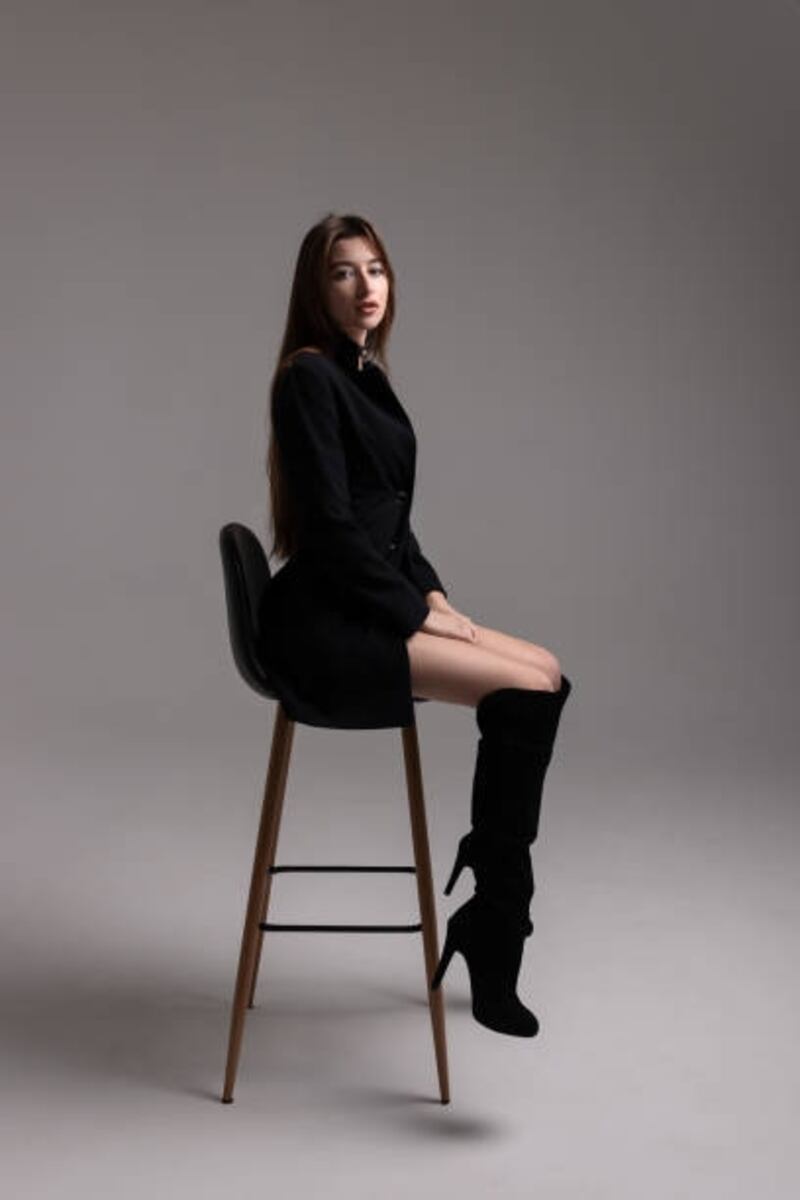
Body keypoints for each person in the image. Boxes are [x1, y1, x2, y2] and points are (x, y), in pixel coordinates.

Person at [260, 212, 573, 1038]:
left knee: (546, 672)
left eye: (376, 269)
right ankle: (496, 924)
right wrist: (410, 614)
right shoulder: (308, 379)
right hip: (326, 624)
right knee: (523, 695)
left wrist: (433, 598)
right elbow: (332, 533)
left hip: (370, 599)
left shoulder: (363, 373)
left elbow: (388, 519)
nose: (365, 286)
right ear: (315, 289)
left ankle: (488, 897)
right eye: (343, 272)